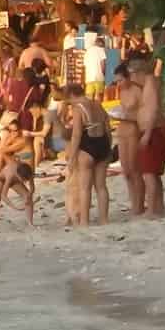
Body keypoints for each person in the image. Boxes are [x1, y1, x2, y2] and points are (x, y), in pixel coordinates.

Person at [63, 82, 112, 227]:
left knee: (85, 188)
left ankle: (85, 221)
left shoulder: (78, 108)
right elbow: (107, 128)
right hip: (102, 143)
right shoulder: (97, 104)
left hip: (87, 146)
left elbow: (76, 134)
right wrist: (108, 148)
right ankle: (104, 219)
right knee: (101, 187)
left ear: (71, 95)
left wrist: (71, 158)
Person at [130, 59, 165, 218]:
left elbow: (153, 109)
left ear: (138, 72)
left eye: (132, 75)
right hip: (154, 130)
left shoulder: (151, 83)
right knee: (153, 172)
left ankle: (153, 209)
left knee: (148, 173)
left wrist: (146, 134)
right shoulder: (149, 84)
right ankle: (158, 207)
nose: (132, 79)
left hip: (153, 131)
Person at [114, 61, 143, 215]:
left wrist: (130, 115)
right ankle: (133, 203)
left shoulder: (137, 91)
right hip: (121, 129)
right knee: (125, 170)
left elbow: (142, 113)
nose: (119, 84)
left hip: (133, 129)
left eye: (121, 80)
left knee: (134, 169)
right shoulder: (122, 92)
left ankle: (139, 204)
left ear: (128, 77)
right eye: (117, 81)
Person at [0, 160, 36, 235]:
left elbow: (32, 188)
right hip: (2, 179)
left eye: (26, 180)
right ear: (18, 175)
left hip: (15, 180)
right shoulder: (10, 175)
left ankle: (30, 223)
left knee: (27, 196)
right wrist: (15, 207)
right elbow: (4, 195)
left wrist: (28, 197)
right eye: (23, 180)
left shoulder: (28, 172)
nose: (25, 182)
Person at [84, 31, 109, 100]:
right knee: (98, 97)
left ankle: (90, 110)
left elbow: (85, 65)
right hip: (99, 76)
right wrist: (104, 74)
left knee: (89, 97)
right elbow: (103, 64)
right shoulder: (101, 50)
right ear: (100, 44)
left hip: (89, 77)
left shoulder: (87, 51)